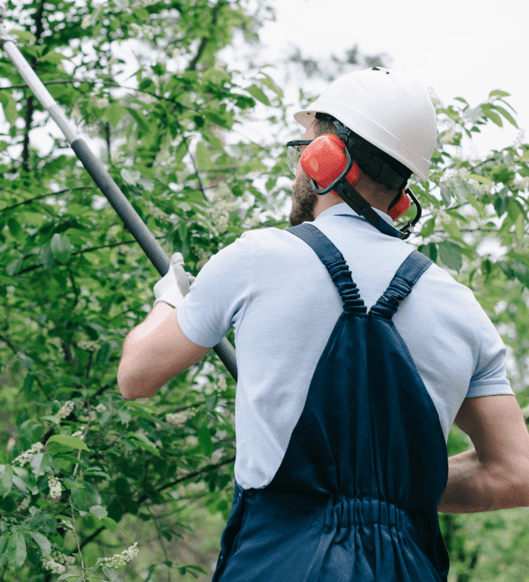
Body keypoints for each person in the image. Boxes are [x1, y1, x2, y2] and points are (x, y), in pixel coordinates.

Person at [117, 67, 529, 581]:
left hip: (280, 559)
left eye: (302, 149)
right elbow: (515, 474)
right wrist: (396, 490)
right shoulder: (460, 307)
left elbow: (136, 376)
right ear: (402, 194)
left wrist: (170, 299)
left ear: (325, 158)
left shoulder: (257, 257)